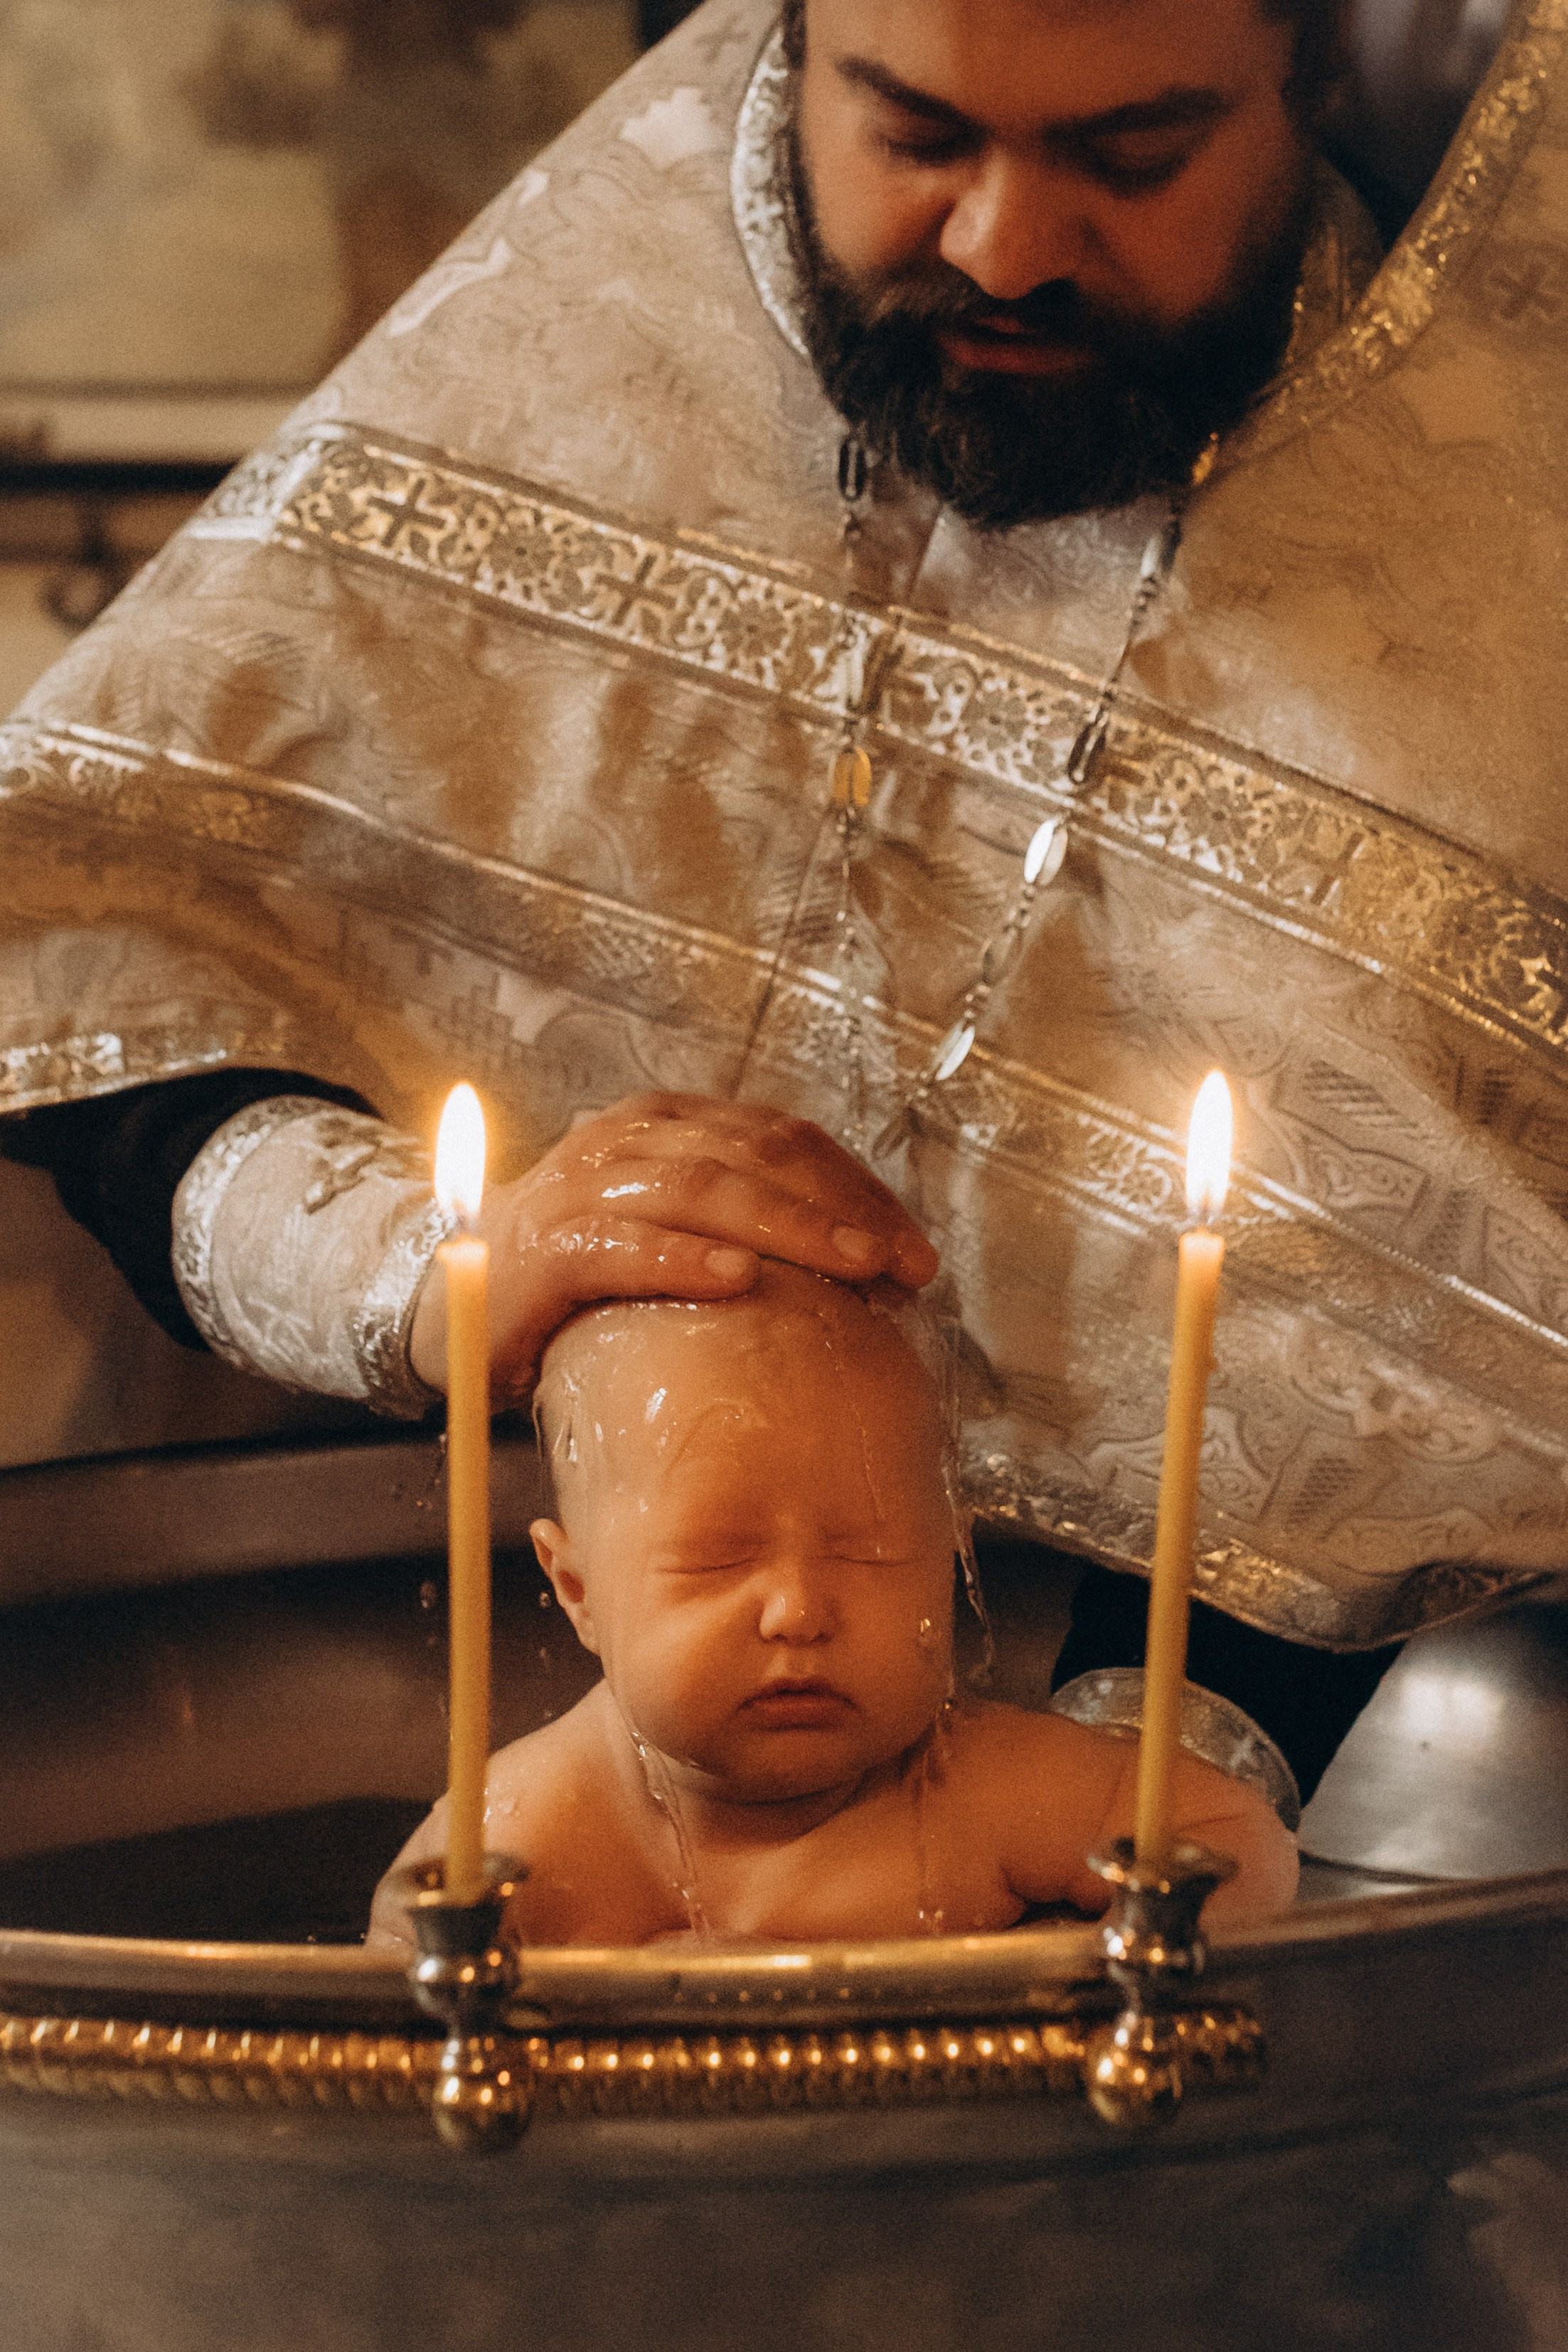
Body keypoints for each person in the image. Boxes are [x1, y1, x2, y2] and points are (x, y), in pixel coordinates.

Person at [4, 0, 1564, 1814]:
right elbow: (108, 968)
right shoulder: (574, 355)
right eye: (911, 136)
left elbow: (1453, 1329)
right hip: (398, 1667)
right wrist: (423, 1269)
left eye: (1126, 160)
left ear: (1294, 90)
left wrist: (1145, 1769)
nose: (1002, 246)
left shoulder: (1498, 538)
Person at [369, 1263, 1296, 1949]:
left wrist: (1084, 1964)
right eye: (714, 1560)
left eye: (872, 1550)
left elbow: (1236, 1841)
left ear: (949, 1556)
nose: (798, 1611)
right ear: (576, 1593)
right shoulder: (528, 1835)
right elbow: (388, 2016)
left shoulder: (982, 1785)